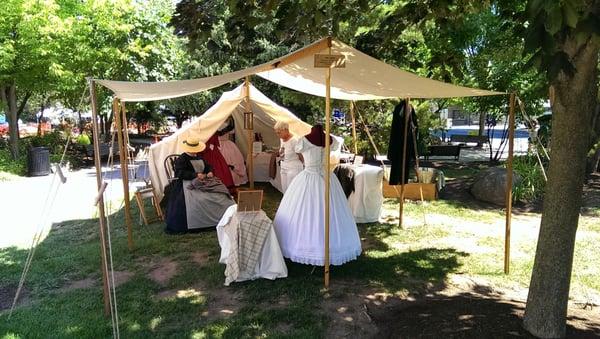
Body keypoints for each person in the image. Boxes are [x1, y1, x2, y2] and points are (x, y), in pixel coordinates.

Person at [273, 124, 362, 266]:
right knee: (324, 209)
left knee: (311, 210)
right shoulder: (329, 140)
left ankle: (313, 247)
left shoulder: (305, 140)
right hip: (324, 177)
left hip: (312, 176)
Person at [164, 137, 234, 233]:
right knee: (201, 199)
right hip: (188, 183)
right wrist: (195, 175)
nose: (194, 152)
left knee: (220, 194)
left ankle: (225, 218)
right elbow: (179, 173)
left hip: (204, 182)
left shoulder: (199, 157)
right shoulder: (182, 159)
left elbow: (208, 166)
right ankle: (200, 223)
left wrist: (209, 171)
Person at [274, 121, 304, 192]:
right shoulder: (281, 139)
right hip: (283, 167)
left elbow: (301, 155)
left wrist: (302, 166)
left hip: (294, 168)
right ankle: (286, 203)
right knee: (285, 190)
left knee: (292, 191)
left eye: (279, 132)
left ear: (286, 130)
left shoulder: (294, 141)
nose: (278, 134)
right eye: (277, 132)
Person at [217, 118, 248, 186]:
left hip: (218, 145)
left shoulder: (216, 126)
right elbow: (230, 135)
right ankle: (234, 179)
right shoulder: (227, 125)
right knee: (233, 159)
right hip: (228, 144)